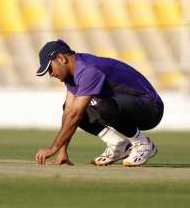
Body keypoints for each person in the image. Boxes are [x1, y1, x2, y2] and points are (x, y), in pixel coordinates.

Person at [35, 39, 164, 167]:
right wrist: (62, 152)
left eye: (50, 68)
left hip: (151, 108)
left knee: (101, 107)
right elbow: (69, 111)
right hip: (126, 105)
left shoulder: (88, 70)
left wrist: (53, 148)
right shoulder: (71, 76)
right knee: (72, 108)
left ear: (62, 58)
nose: (50, 74)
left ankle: (142, 143)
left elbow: (75, 115)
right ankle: (118, 145)